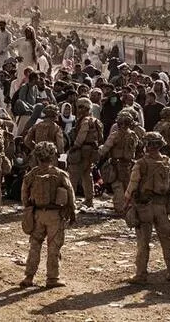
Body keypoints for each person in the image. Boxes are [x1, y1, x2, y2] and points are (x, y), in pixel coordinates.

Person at [125, 131, 170, 284]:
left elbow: (132, 186)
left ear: (146, 145)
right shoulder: (169, 163)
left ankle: (141, 275)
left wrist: (127, 203)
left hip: (144, 208)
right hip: (162, 207)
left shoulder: (141, 164)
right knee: (167, 240)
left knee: (143, 242)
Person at [19, 141, 76, 288]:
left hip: (37, 214)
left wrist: (29, 210)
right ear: (53, 157)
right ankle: (52, 278)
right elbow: (70, 194)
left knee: (35, 245)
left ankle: (29, 277)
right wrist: (72, 212)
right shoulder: (59, 174)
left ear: (37, 157)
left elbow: (24, 195)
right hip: (55, 216)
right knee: (54, 247)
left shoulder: (32, 174)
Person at [98, 111, 139, 214]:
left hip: (116, 165)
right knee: (129, 186)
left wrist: (99, 151)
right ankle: (130, 207)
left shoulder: (115, 135)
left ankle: (120, 208)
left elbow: (104, 150)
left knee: (118, 187)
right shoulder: (133, 135)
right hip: (129, 164)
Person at [68, 98, 103, 207]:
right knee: (87, 175)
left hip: (82, 150)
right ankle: (89, 200)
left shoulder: (85, 121)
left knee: (73, 175)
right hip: (91, 151)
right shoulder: (95, 121)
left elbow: (82, 134)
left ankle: (70, 201)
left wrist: (75, 146)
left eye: (80, 107)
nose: (78, 110)